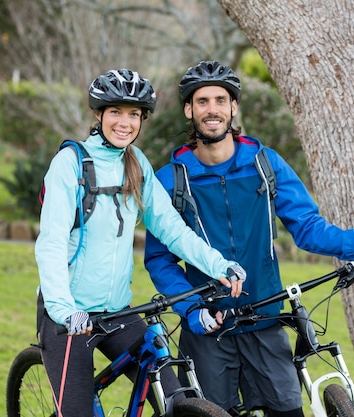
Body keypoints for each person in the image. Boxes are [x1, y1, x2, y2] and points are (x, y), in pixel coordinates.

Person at [144, 61, 354, 417]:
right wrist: (191, 310)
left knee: (288, 411)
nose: (211, 109)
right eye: (202, 101)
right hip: (208, 330)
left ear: (233, 107)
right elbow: (159, 259)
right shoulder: (169, 180)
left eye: (220, 100)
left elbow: (307, 226)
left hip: (266, 319)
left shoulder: (265, 164)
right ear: (189, 109)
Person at [35, 68, 246, 417]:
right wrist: (63, 309)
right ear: (99, 115)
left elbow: (172, 229)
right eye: (116, 112)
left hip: (119, 312)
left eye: (134, 114)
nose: (125, 122)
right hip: (70, 316)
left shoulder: (136, 164)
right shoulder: (69, 163)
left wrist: (218, 265)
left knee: (177, 400)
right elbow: (52, 243)